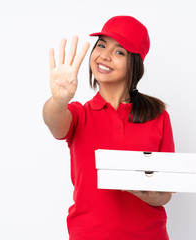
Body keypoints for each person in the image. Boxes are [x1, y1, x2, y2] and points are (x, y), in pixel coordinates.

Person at [43, 15, 175, 240]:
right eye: (102, 45)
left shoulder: (158, 117)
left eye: (119, 51)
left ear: (134, 63)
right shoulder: (79, 114)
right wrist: (59, 99)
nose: (104, 55)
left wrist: (145, 193)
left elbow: (165, 193)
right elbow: (53, 121)